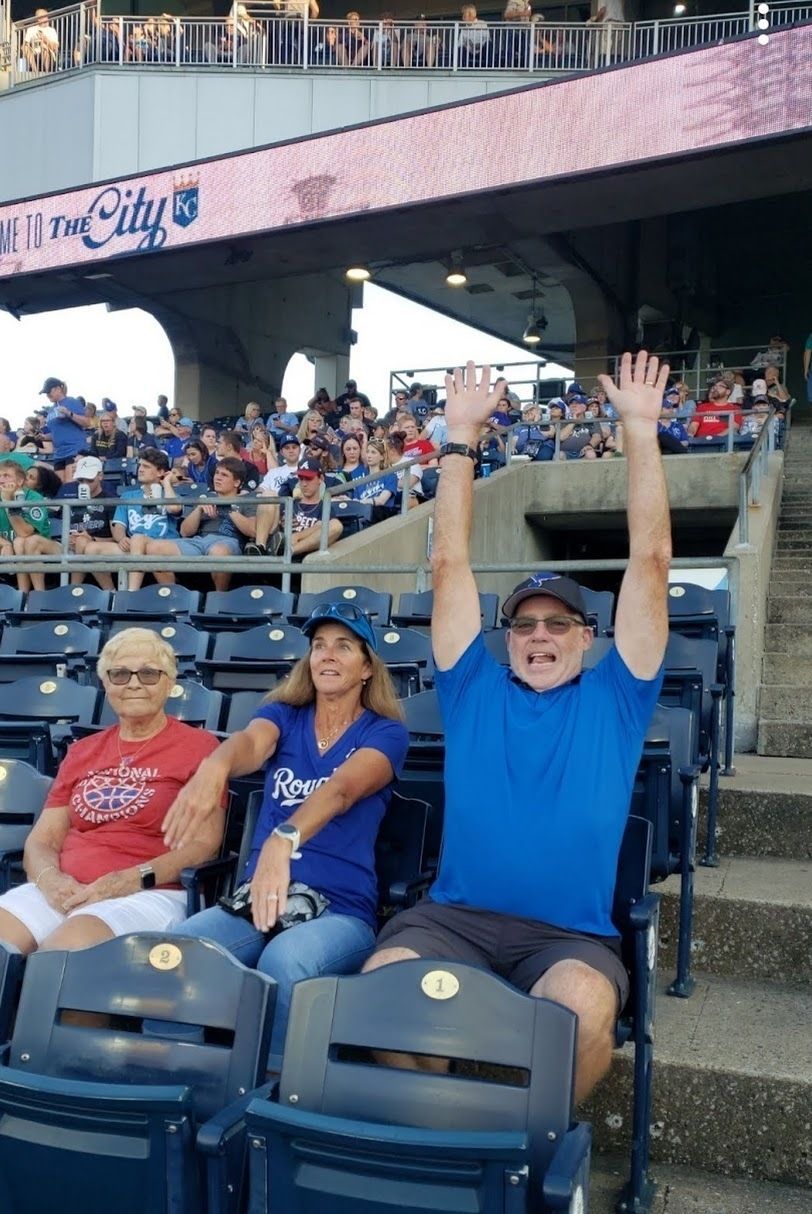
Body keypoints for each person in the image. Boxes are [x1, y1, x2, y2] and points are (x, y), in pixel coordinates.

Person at [362, 352, 671, 1105]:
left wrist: (638, 428)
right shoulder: (473, 687)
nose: (538, 636)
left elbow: (653, 561)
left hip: (566, 937)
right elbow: (450, 565)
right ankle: (443, 1148)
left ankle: (523, 1167)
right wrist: (459, 439)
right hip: (453, 921)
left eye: (557, 624)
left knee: (578, 1016)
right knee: (381, 1002)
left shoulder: (618, 696)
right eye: (523, 624)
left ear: (585, 635)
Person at [161, 604, 409, 1057]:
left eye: (343, 646)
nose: (327, 656)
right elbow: (252, 743)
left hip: (341, 909)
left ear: (367, 667)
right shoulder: (285, 715)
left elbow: (341, 791)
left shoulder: (386, 733)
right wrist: (216, 764)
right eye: (318, 646)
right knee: (179, 951)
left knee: (286, 959)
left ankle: (276, 1092)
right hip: (259, 901)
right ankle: (181, 1073)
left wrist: (284, 838)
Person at [0, 630, 224, 956]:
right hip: (65, 888)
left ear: (169, 681)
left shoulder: (200, 748)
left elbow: (204, 846)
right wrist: (51, 881)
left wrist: (131, 879)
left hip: (148, 891)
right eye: (119, 673)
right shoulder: (83, 751)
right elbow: (43, 840)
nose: (133, 683)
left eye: (148, 673)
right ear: (106, 683)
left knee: (61, 959)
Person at [76, 448, 182, 592]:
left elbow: (175, 509)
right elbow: (118, 526)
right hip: (134, 548)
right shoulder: (128, 496)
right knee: (91, 549)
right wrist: (121, 539)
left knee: (141, 541)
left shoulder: (171, 495)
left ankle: (131, 594)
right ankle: (111, 593)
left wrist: (167, 483)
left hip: (162, 547)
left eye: (146, 466)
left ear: (160, 472)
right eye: (140, 465)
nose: (140, 469)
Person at [145, 457, 256, 591]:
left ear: (237, 482)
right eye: (217, 473)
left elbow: (252, 531)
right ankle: (171, 595)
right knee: (154, 547)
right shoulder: (206, 498)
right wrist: (198, 509)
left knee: (218, 551)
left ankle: (220, 598)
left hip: (228, 542)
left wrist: (228, 508)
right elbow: (185, 532)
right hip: (198, 542)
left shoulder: (247, 500)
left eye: (224, 475)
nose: (218, 478)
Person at [17, 455, 117, 592]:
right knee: (31, 541)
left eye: (89, 479)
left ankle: (71, 589)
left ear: (100, 476)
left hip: (96, 545)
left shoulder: (111, 500)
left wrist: (92, 539)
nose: (85, 484)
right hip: (67, 544)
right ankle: (37, 594)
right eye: (81, 480)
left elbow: (117, 537)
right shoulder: (69, 498)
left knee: (82, 541)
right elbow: (55, 517)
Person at [1, 459, 50, 588]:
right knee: (18, 543)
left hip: (43, 549)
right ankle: (23, 596)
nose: (1, 480)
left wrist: (7, 502)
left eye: (6, 476)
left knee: (23, 541)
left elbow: (25, 532)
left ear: (20, 481)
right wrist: (4, 543)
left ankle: (37, 594)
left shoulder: (33, 497)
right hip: (12, 549)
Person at [39, 376, 95, 482]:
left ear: (58, 389)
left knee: (70, 486)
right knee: (60, 487)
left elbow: (87, 423)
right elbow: (56, 433)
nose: (47, 395)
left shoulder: (72, 402)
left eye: (48, 391)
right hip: (59, 453)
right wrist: (44, 437)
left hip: (74, 450)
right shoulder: (51, 410)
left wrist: (69, 413)